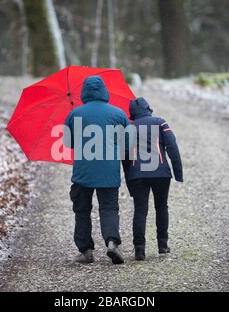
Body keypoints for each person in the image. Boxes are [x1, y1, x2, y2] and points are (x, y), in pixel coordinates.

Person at [63, 76, 129, 264]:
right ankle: (112, 242)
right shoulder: (118, 114)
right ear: (104, 91)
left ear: (84, 92)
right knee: (109, 208)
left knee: (82, 210)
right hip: (109, 170)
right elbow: (128, 143)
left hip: (83, 172)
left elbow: (67, 143)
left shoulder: (75, 114)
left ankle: (85, 251)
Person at [123, 97, 183, 261]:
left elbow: (125, 157)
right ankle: (163, 245)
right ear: (148, 108)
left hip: (137, 175)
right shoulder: (160, 122)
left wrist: (129, 181)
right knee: (162, 207)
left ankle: (139, 250)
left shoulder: (128, 128)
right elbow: (172, 147)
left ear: (132, 114)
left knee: (140, 210)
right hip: (161, 173)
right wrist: (178, 173)